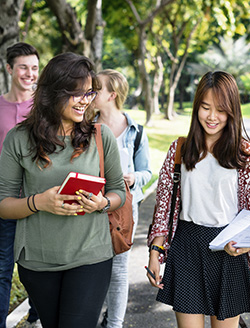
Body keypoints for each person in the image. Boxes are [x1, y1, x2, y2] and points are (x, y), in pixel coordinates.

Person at [0, 52, 126, 328]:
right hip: (38, 260)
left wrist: (103, 202)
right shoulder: (18, 139)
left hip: (91, 255)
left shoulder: (100, 136)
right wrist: (38, 203)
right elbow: (4, 204)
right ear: (53, 92)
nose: (85, 100)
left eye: (89, 93)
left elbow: (119, 191)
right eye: (76, 93)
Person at [147, 71, 250, 328]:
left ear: (232, 111)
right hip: (187, 247)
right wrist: (155, 252)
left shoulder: (245, 155)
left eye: (221, 110)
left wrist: (245, 245)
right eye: (205, 107)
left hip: (228, 250)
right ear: (196, 107)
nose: (212, 117)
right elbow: (164, 207)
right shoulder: (180, 150)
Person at [93, 69, 152, 328]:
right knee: (92, 269)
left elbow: (148, 172)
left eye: (96, 88)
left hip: (125, 209)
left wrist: (134, 178)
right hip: (91, 206)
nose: (90, 93)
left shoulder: (136, 131)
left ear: (112, 95)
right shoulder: (85, 127)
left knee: (118, 271)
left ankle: (114, 323)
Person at [0, 42, 40, 328]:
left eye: (34, 68)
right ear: (9, 68)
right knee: (2, 270)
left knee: (34, 271)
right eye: (24, 67)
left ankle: (39, 314)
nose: (30, 73)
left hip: (38, 204)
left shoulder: (45, 107)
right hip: (4, 203)